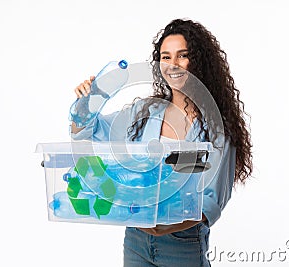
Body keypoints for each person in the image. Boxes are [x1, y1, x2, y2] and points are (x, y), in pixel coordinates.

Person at [71, 18, 252, 267]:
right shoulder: (144, 112)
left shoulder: (217, 128)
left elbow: (211, 202)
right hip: (136, 239)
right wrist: (89, 99)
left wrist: (162, 225)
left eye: (182, 55)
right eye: (165, 57)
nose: (173, 64)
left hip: (182, 244)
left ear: (198, 62)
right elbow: (88, 132)